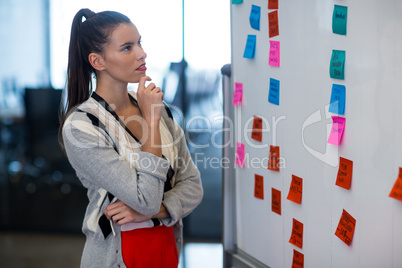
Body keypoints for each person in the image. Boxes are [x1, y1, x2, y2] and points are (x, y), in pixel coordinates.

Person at [59, 8, 203, 268]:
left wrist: (159, 210)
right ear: (98, 61)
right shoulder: (82, 126)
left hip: (165, 245)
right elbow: (145, 198)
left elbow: (193, 186)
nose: (141, 53)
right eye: (127, 47)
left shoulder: (158, 107)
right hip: (120, 253)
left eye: (139, 43)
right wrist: (150, 122)